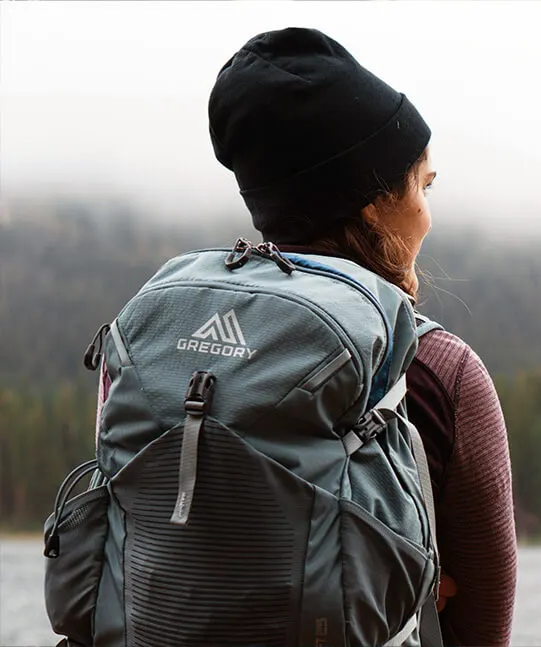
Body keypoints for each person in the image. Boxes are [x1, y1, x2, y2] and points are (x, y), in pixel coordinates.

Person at [106, 26, 518, 647]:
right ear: (376, 202)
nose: (429, 215)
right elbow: (482, 626)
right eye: (423, 186)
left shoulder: (159, 338)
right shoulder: (433, 369)